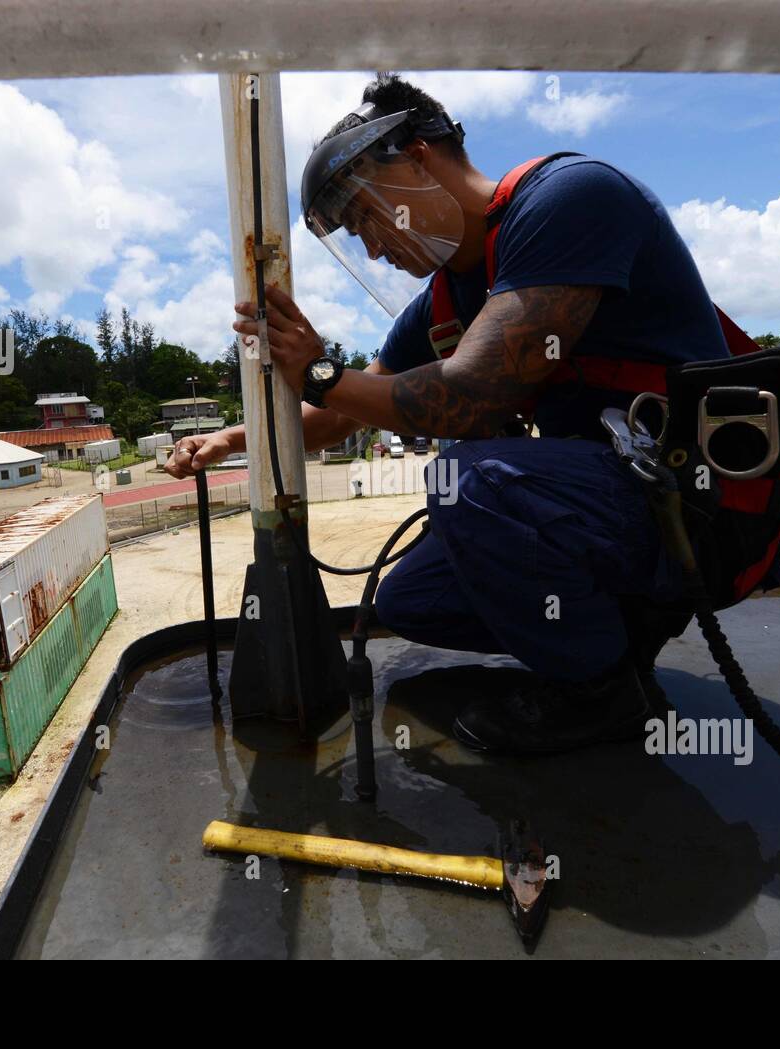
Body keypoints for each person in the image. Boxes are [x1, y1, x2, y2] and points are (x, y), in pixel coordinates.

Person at [167, 74, 749, 754]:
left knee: (473, 480)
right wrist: (233, 438)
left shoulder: (570, 199)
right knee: (410, 599)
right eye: (356, 237)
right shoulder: (444, 303)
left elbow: (476, 391)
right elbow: (342, 416)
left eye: (368, 218)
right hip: (627, 504)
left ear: (416, 157)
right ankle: (614, 643)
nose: (376, 250)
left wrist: (322, 371)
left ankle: (602, 691)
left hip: (707, 507)